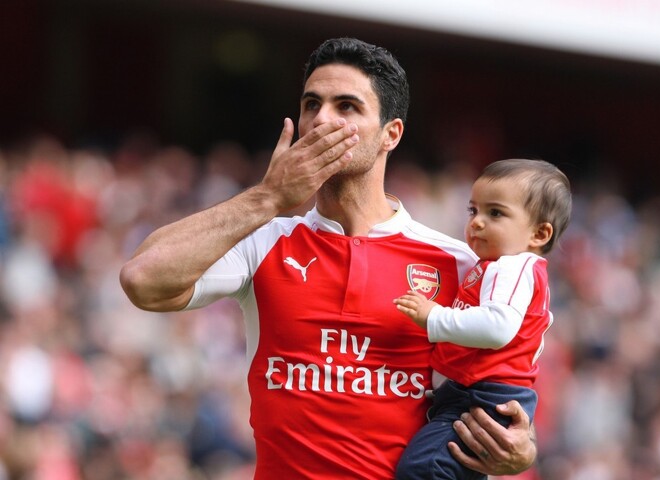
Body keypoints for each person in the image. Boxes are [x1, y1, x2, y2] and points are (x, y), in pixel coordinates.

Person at [120, 37, 537, 479]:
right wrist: (267, 198)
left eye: (347, 106)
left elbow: (502, 382)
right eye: (312, 104)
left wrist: (522, 448)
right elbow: (142, 279)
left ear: (391, 134)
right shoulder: (266, 241)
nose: (322, 120)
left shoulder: (459, 263)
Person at [393, 158, 572, 479]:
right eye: (473, 210)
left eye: (496, 213)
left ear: (539, 233)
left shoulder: (513, 267)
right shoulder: (495, 266)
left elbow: (498, 327)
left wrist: (434, 317)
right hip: (476, 394)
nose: (477, 222)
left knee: (424, 468)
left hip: (484, 398)